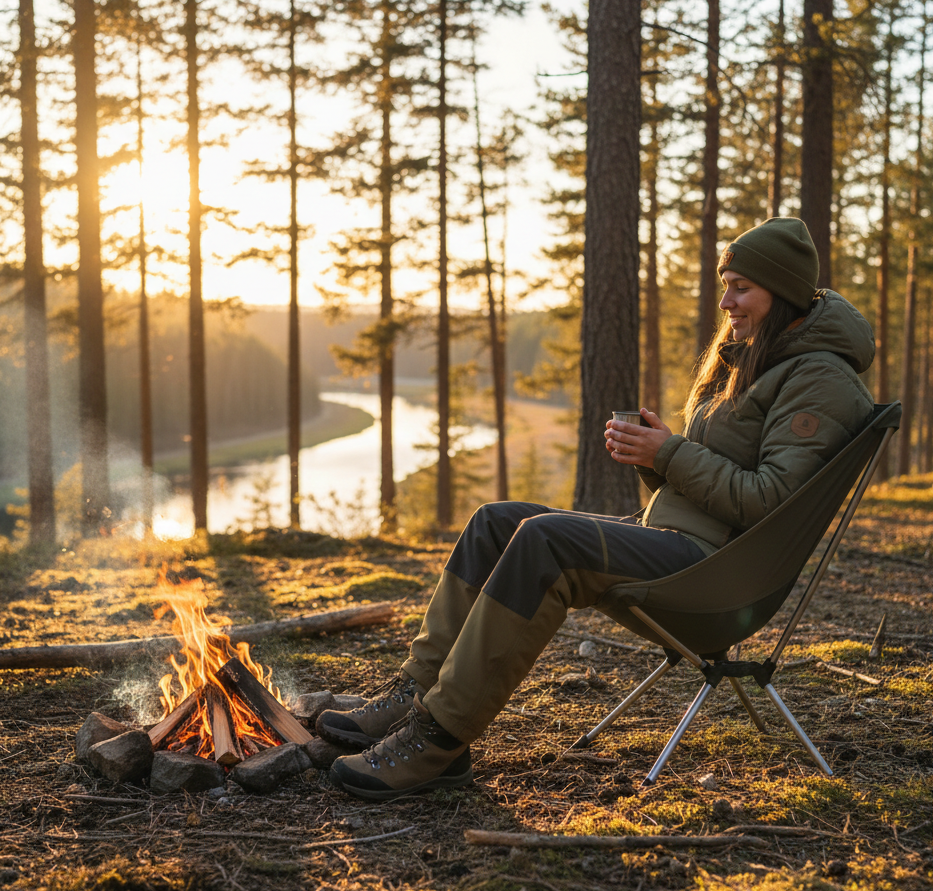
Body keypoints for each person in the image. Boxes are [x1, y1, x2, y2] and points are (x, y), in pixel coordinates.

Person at [319, 217, 875, 800]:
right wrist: (655, 458)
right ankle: (414, 694)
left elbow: (768, 502)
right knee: (495, 523)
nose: (726, 301)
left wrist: (671, 452)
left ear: (781, 292)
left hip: (719, 577)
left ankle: (438, 740)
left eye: (741, 287)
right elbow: (722, 479)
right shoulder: (764, 357)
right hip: (684, 542)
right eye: (725, 286)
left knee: (546, 540)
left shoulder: (820, 378)